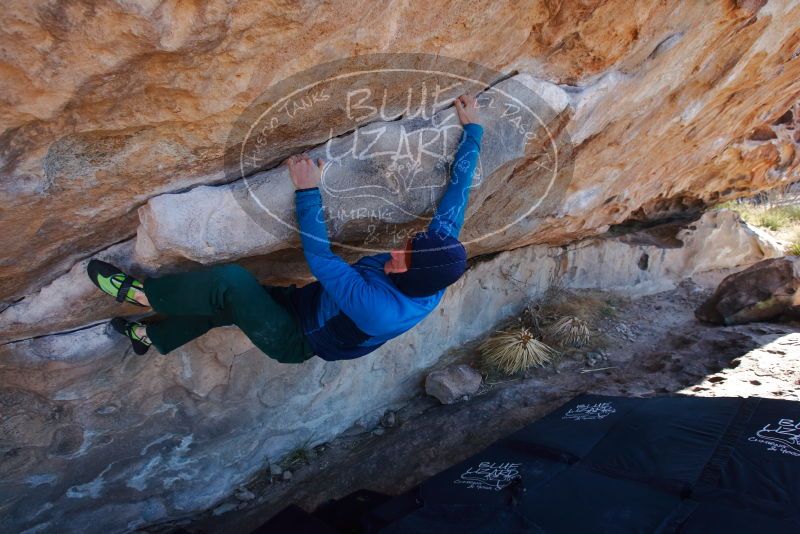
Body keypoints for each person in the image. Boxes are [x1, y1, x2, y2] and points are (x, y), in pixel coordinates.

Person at [88, 93, 484, 361]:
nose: (396, 250)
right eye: (408, 246)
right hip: (307, 306)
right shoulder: (436, 259)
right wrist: (474, 132)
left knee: (230, 283)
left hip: (296, 338)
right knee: (220, 308)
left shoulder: (381, 309)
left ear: (413, 278)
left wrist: (307, 190)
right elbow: (457, 194)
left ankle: (144, 295)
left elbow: (321, 260)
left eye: (403, 258)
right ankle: (149, 338)